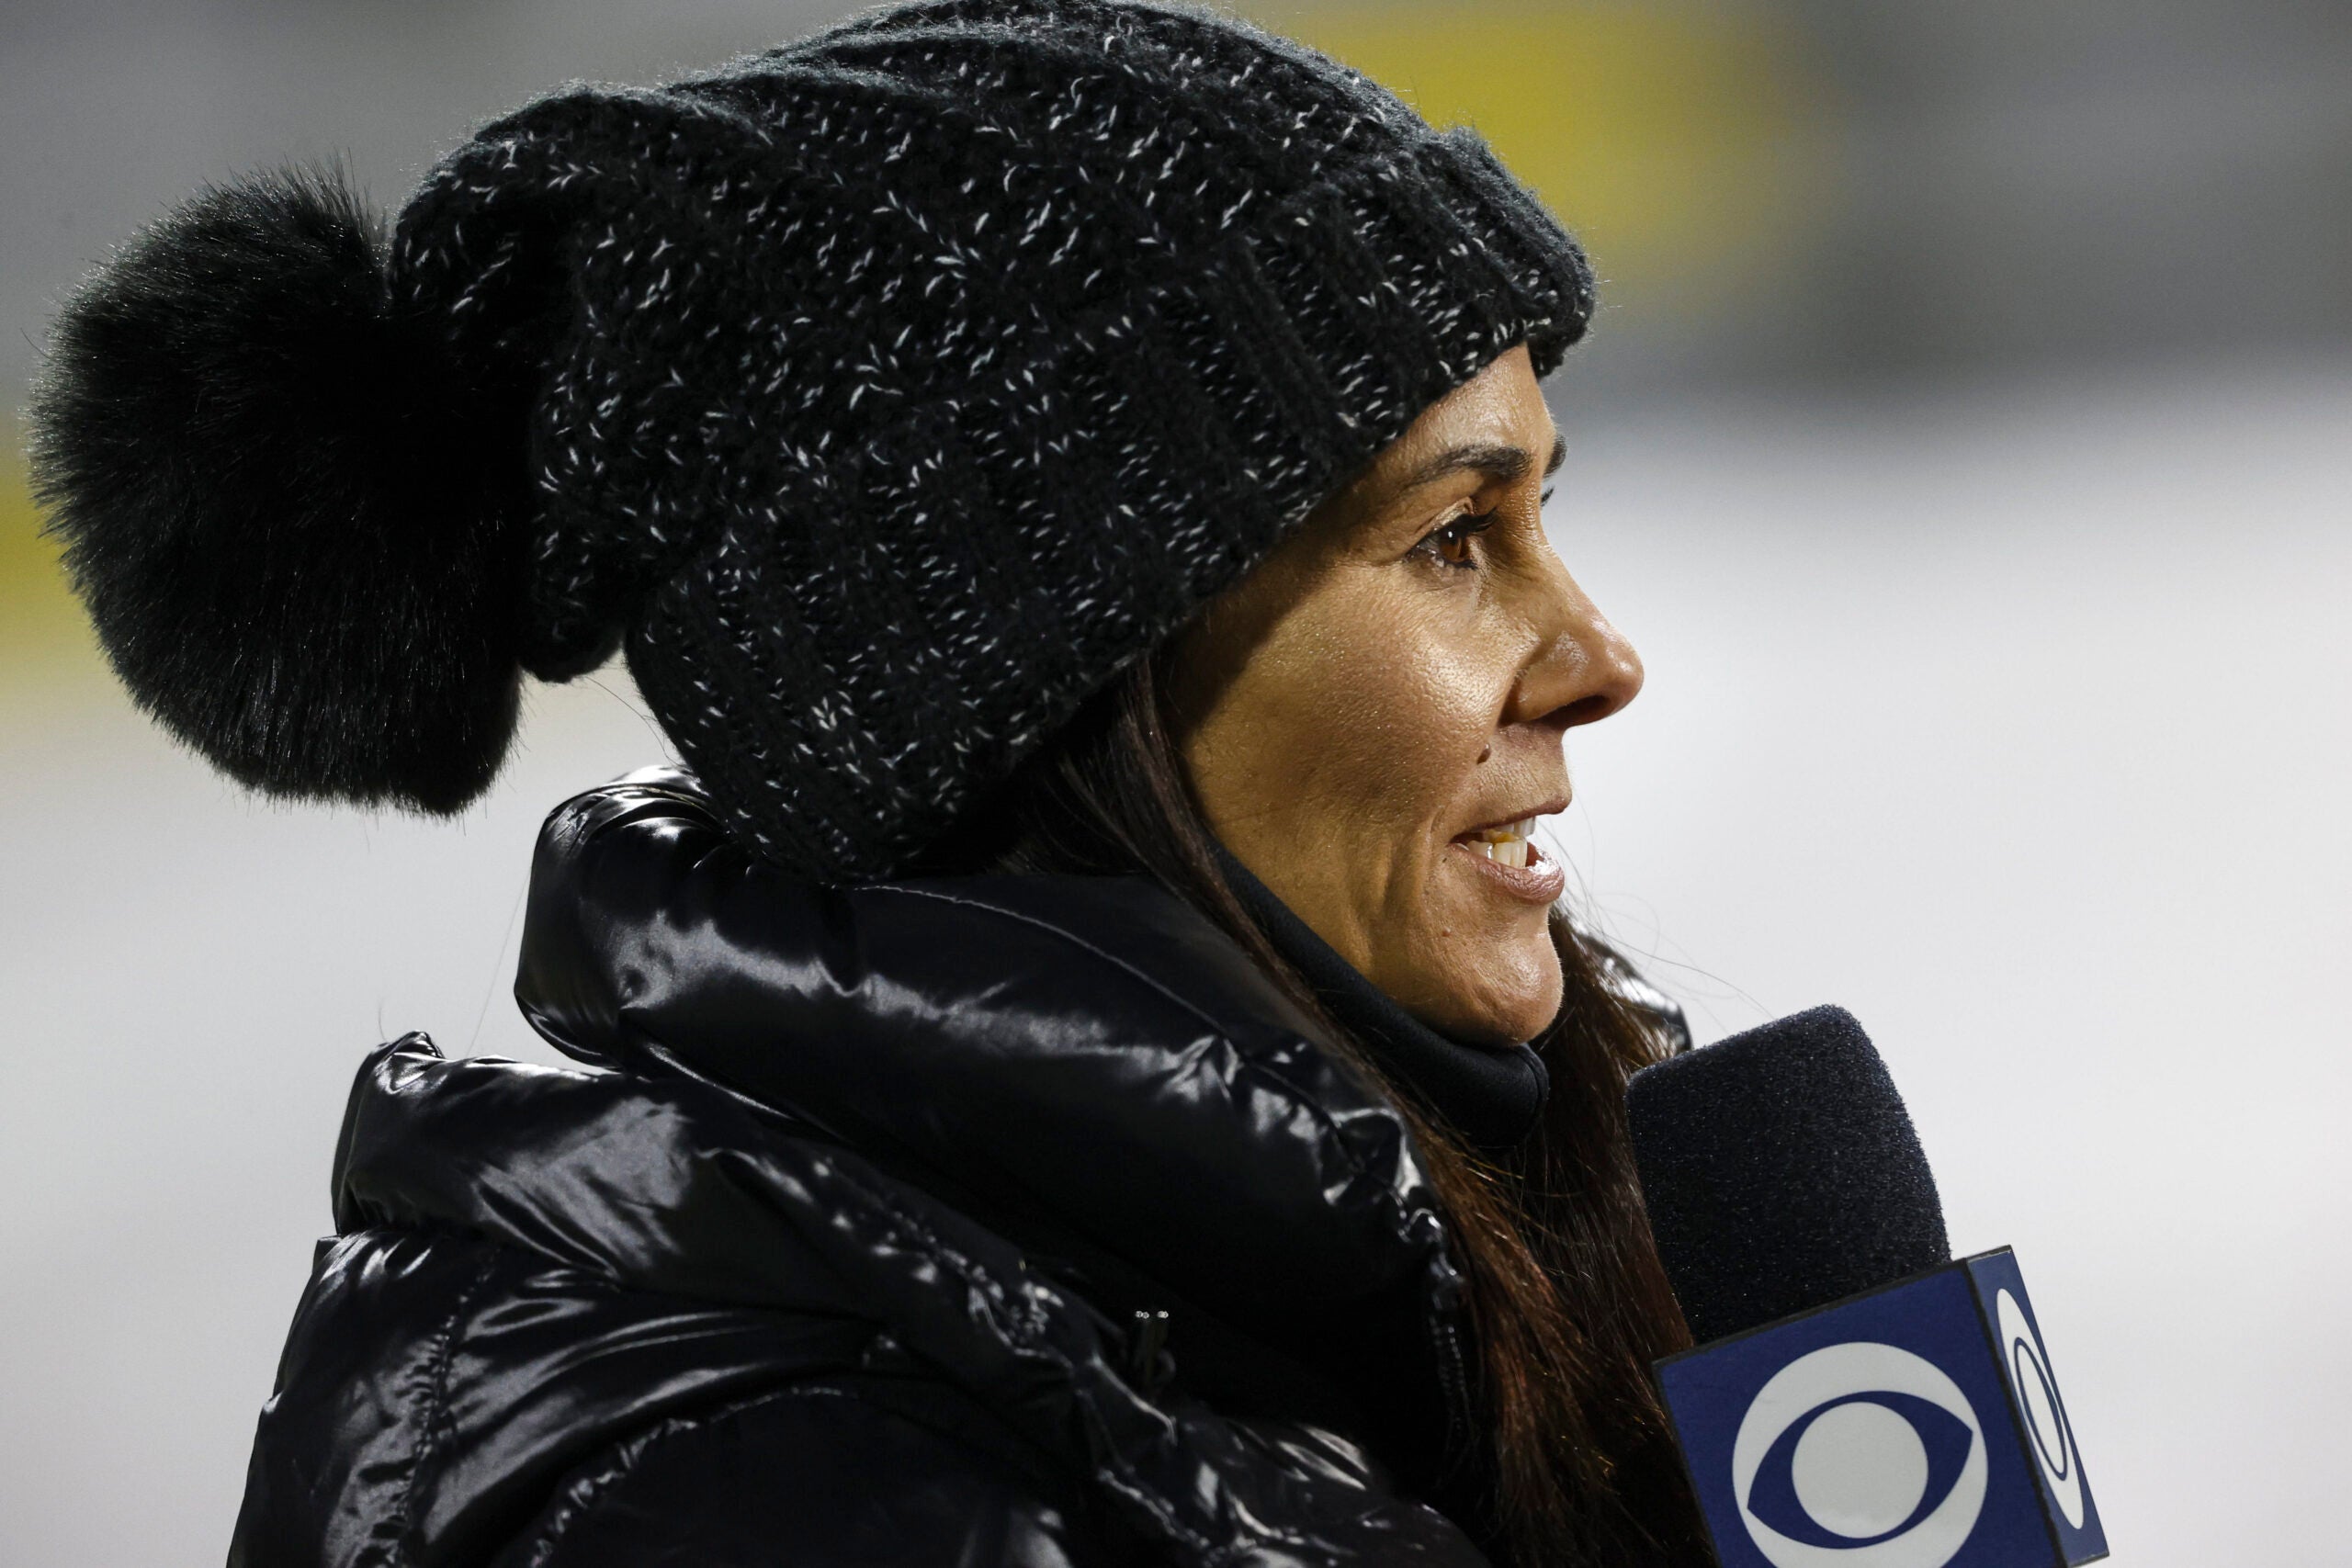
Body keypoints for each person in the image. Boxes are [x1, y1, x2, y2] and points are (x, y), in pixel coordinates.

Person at [28, 2, 1711, 1563]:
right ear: (1044, 678)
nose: (1598, 657)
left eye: (1541, 513)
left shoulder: (1408, 1269)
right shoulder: (750, 1498)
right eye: (1452, 538)